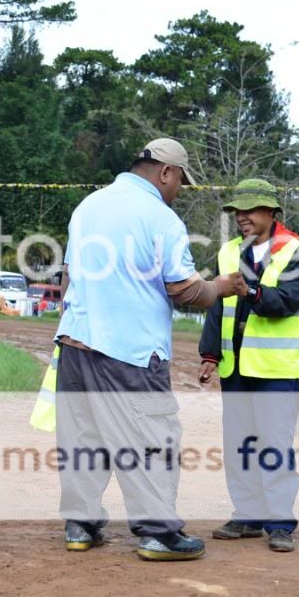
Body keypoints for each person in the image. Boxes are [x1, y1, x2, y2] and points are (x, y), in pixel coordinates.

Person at [54, 138, 244, 561]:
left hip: (74, 344)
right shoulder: (161, 218)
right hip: (130, 351)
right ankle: (158, 533)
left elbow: (67, 279)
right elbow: (183, 289)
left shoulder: (89, 206)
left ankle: (80, 526)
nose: (179, 189)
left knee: (85, 437)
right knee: (153, 438)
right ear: (165, 172)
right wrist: (221, 288)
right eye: (180, 181)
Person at [198, 178, 299, 553]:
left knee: (275, 446)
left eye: (249, 211)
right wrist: (209, 355)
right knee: (240, 445)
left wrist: (253, 292)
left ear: (270, 212)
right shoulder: (229, 252)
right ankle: (247, 515)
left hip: (275, 370)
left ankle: (279, 523)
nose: (241, 218)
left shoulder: (295, 252)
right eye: (237, 211)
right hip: (235, 369)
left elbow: (288, 302)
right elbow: (218, 307)